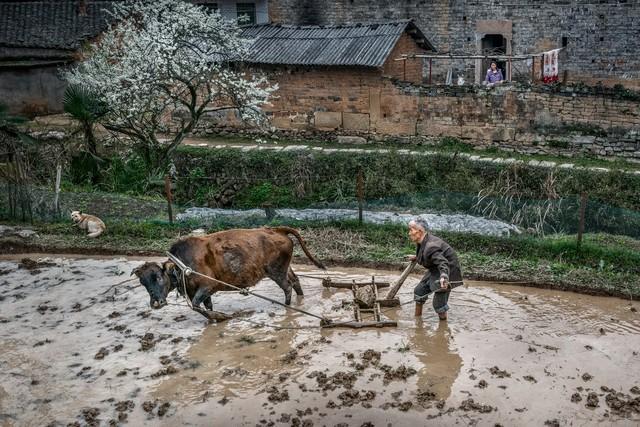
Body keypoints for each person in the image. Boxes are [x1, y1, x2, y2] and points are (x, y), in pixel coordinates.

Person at [406, 218, 463, 321]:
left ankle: (443, 327)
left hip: (447, 270)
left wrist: (444, 277)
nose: (409, 233)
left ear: (419, 232)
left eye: (411, 230)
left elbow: (443, 263)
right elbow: (428, 255)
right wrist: (417, 257)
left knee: (438, 304)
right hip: (435, 268)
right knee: (419, 291)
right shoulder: (423, 241)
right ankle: (417, 319)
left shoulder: (430, 246)